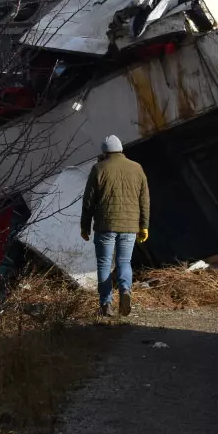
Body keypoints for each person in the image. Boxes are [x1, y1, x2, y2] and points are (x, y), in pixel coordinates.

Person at [80, 135, 150, 317]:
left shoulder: (99, 168)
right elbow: (144, 200)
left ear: (104, 152)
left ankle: (106, 305)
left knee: (104, 263)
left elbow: (88, 201)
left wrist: (84, 226)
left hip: (105, 225)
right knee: (124, 262)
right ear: (121, 150)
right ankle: (125, 290)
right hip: (129, 225)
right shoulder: (137, 168)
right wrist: (144, 226)